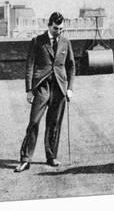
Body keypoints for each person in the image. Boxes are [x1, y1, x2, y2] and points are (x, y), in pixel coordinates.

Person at [14, 12, 75, 172]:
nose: (59, 32)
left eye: (61, 29)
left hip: (59, 88)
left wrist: (69, 88)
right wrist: (29, 90)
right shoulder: (37, 41)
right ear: (49, 25)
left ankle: (51, 157)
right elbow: (30, 66)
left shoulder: (66, 42)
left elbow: (71, 66)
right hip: (42, 87)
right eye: (56, 28)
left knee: (54, 124)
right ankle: (26, 159)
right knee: (34, 122)